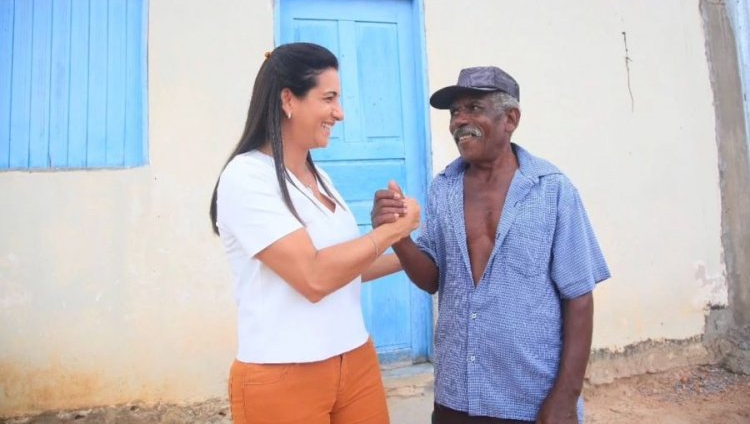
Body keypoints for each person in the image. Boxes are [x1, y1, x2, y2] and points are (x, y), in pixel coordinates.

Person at [371, 66, 611, 424]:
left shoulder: (552, 190)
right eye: (454, 112)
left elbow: (579, 297)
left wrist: (565, 395)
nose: (459, 121)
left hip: (529, 397)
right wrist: (398, 236)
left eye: (473, 108)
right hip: (457, 396)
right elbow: (432, 279)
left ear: (510, 118)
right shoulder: (444, 188)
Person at [209, 42, 420, 424]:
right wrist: (391, 233)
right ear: (289, 99)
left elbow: (343, 269)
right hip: (284, 374)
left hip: (355, 359)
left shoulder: (318, 176)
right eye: (329, 98)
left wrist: (412, 254)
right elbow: (314, 277)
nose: (339, 113)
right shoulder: (246, 178)